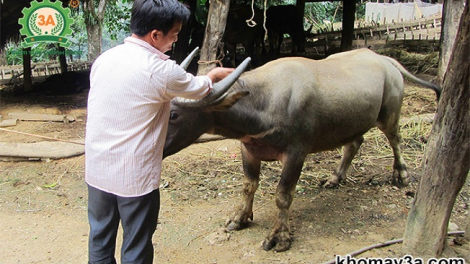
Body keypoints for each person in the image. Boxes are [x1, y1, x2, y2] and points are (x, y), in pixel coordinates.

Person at [85, 0, 235, 263]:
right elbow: (199, 88)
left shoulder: (104, 59)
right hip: (134, 177)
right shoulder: (160, 70)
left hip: (97, 168)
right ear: (155, 35)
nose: (175, 40)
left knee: (99, 239)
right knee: (136, 245)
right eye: (174, 34)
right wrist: (212, 75)